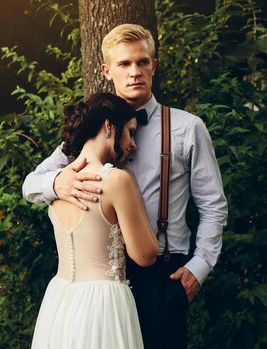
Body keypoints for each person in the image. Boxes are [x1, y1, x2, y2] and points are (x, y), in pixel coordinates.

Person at [23, 24, 229, 349]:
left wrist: (199, 267)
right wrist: (57, 181)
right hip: (101, 279)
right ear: (107, 70)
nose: (135, 72)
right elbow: (31, 185)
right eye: (124, 64)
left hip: (162, 275)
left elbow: (213, 205)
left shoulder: (188, 129)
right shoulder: (90, 130)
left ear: (153, 66)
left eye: (142, 62)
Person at [30, 92, 159, 349]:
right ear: (110, 126)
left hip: (60, 299)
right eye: (130, 133)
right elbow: (145, 255)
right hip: (103, 304)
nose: (133, 144)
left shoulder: (59, 181)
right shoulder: (117, 181)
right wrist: (131, 185)